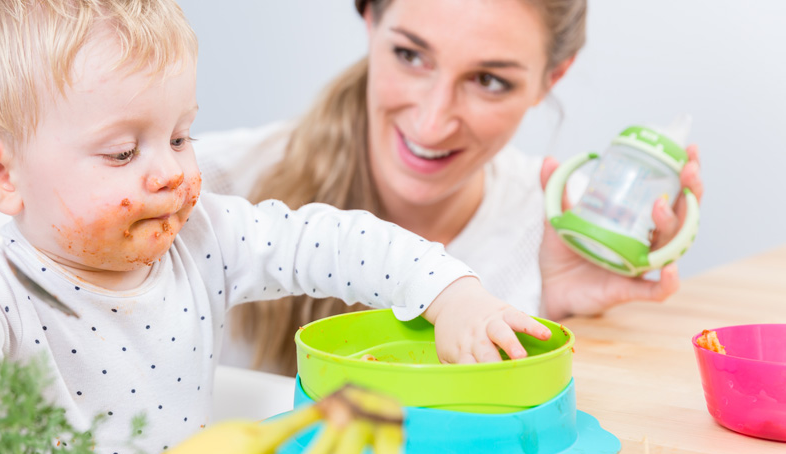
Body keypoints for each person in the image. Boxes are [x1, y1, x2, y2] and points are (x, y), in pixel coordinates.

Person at [0, 0, 551, 454]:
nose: (169, 171)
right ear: (0, 173)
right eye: (120, 154)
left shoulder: (202, 237)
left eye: (178, 135)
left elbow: (336, 243)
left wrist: (449, 292)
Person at [196, 0, 705, 374]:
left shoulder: (560, 231)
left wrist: (561, 317)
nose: (433, 123)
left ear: (552, 78)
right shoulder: (206, 189)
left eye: (488, 80)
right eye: (411, 56)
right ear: (371, 20)